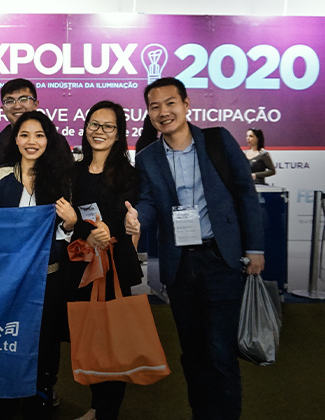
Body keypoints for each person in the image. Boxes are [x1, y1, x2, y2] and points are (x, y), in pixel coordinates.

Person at [126, 77, 265, 420]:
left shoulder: (217, 140)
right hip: (179, 264)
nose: (163, 112)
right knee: (192, 352)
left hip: (220, 257)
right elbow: (148, 202)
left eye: (170, 103)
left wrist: (255, 249)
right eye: (155, 106)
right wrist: (137, 219)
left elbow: (246, 193)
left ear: (186, 104)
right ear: (148, 113)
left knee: (220, 352)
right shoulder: (147, 157)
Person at [0, 111, 77, 420]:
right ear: (15, 140)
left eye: (39, 135)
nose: (32, 141)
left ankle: (42, 388)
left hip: (48, 274)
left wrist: (70, 224)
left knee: (45, 337)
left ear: (49, 140)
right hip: (6, 278)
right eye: (24, 134)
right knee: (3, 334)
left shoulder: (61, 178)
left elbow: (64, 232)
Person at [68, 101, 142, 420]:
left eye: (108, 126)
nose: (99, 131)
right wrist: (83, 234)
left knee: (114, 342)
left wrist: (113, 232)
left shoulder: (129, 175)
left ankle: (107, 410)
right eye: (94, 125)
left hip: (114, 269)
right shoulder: (73, 173)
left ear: (118, 133)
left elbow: (130, 221)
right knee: (91, 340)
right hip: (81, 266)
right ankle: (97, 405)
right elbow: (68, 222)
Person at [0, 78, 40, 171]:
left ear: (35, 105)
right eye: (10, 101)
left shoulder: (55, 141)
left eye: (23, 99)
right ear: (3, 108)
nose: (17, 106)